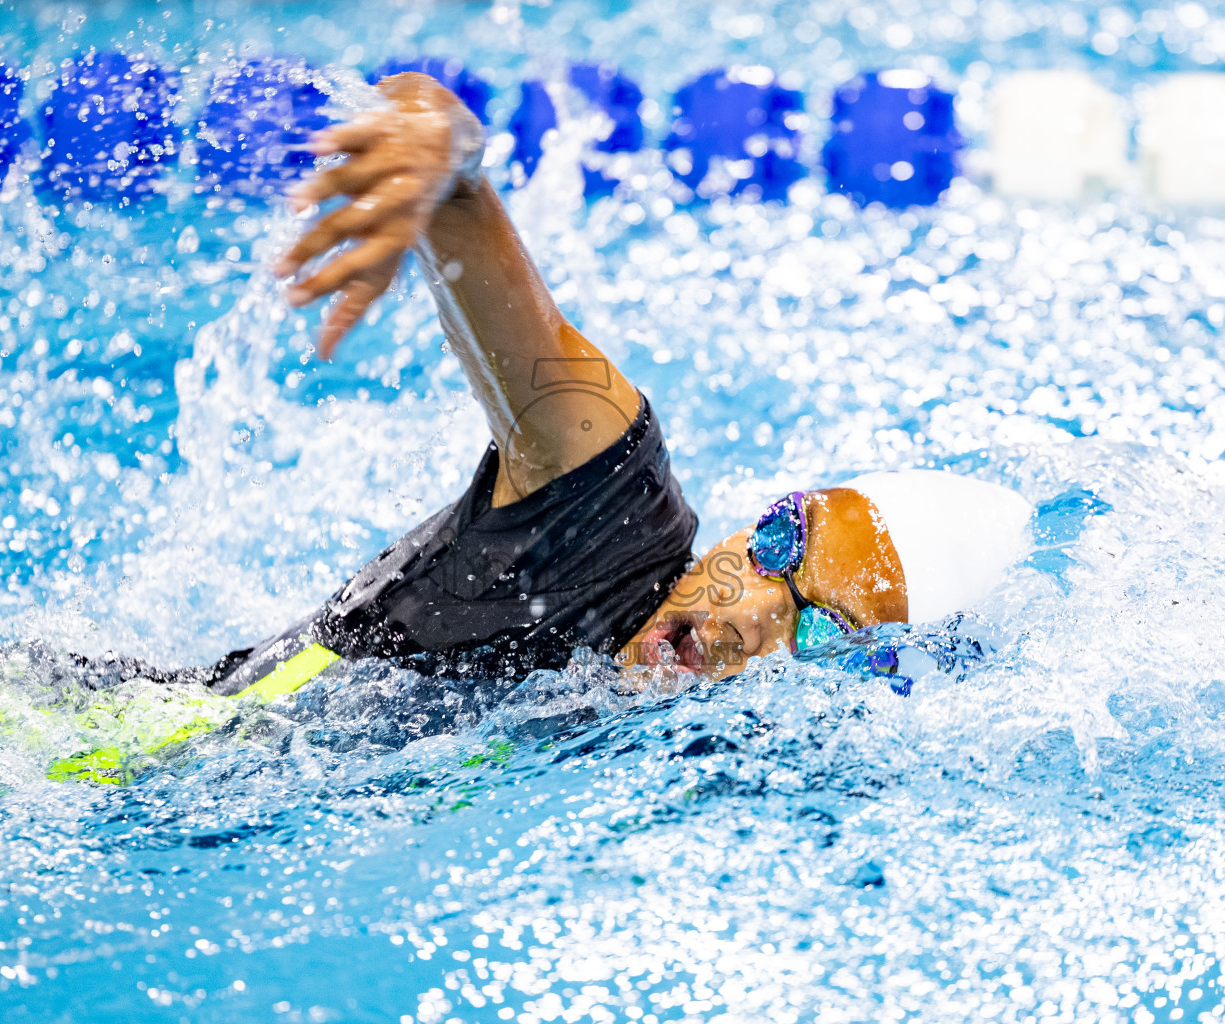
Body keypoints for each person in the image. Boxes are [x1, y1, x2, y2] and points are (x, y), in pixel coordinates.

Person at [193, 71, 1033, 697]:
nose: (751, 614)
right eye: (779, 544)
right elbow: (461, 188)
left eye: (818, 631)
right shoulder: (602, 509)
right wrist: (437, 154)